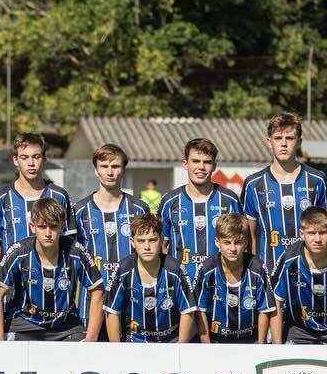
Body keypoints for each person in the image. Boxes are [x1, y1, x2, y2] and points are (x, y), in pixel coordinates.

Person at [0, 198, 103, 341]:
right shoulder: (18, 252)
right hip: (24, 325)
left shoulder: (75, 251)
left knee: (83, 359)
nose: (48, 233)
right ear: (32, 227)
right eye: (42, 227)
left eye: (54, 226)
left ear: (62, 227)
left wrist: (91, 338)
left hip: (66, 326)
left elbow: (97, 289)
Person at [242, 111, 327, 275]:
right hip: (268, 273)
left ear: (299, 142)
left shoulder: (316, 180)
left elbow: (326, 230)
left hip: (309, 273)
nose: (283, 144)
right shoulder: (253, 184)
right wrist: (254, 274)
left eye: (289, 138)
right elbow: (250, 237)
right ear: (269, 142)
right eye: (278, 138)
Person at [269, 206, 327, 345]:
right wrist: (277, 348)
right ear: (302, 234)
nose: (318, 239)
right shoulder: (289, 259)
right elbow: (276, 303)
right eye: (311, 233)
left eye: (323, 232)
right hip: (299, 329)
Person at [157, 138, 241, 290]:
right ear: (185, 164)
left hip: (220, 286)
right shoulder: (169, 201)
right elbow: (162, 246)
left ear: (214, 166)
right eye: (195, 161)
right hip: (180, 287)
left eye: (207, 162)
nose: (201, 167)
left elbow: (242, 244)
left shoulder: (230, 200)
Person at [0, 131, 75, 268]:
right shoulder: (0, 196)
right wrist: (6, 275)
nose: (31, 163)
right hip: (14, 280)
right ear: (16, 160)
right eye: (24, 157)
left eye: (36, 157)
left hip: (51, 278)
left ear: (44, 159)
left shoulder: (59, 195)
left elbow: (69, 238)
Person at [105, 213, 196, 343]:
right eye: (141, 241)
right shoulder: (122, 270)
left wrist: (179, 349)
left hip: (170, 341)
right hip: (134, 340)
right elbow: (112, 311)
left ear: (161, 240)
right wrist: (118, 350)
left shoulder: (175, 269)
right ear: (132, 242)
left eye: (152, 240)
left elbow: (188, 311)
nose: (147, 247)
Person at [72, 143, 148, 295]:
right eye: (104, 166)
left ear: (123, 170)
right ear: (96, 170)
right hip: (91, 297)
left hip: (130, 296)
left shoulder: (139, 209)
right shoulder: (79, 211)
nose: (110, 172)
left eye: (115, 166)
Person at [194, 213, 275, 344]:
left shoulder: (257, 268)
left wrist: (261, 346)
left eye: (237, 242)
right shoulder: (207, 269)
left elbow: (264, 310)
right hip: (216, 340)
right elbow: (200, 311)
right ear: (217, 242)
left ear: (246, 242)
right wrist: (206, 346)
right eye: (227, 242)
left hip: (250, 339)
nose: (232, 248)